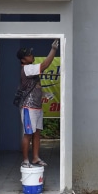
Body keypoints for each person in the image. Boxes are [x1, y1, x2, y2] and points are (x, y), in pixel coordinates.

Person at [16, 39, 59, 168]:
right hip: (28, 107)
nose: (32, 55)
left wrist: (44, 94)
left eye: (31, 53)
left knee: (37, 133)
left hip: (37, 107)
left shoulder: (30, 70)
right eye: (29, 55)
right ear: (23, 60)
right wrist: (53, 50)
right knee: (28, 134)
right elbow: (45, 65)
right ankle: (25, 160)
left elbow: (36, 86)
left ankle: (35, 158)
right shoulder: (27, 68)